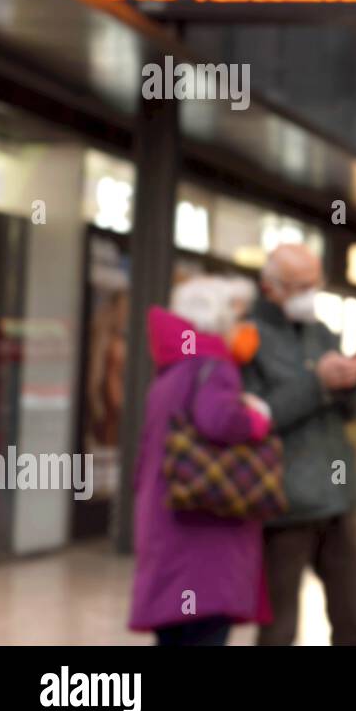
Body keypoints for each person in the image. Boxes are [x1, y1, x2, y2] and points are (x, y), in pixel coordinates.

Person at [129, 276, 273, 646]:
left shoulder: (174, 366)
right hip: (203, 528)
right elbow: (219, 420)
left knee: (175, 632)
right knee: (204, 630)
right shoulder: (213, 366)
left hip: (167, 517)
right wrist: (257, 417)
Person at [242, 243, 356, 646]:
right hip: (284, 502)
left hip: (338, 498)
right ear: (270, 288)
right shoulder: (247, 338)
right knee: (279, 626)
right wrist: (317, 384)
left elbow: (352, 413)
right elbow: (253, 417)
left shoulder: (322, 331)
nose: (307, 294)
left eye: (314, 284)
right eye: (297, 286)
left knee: (352, 618)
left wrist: (352, 382)